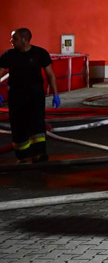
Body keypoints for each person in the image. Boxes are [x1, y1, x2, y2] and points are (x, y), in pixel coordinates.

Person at [0, 28, 58, 163]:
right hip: (16, 95)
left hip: (35, 95)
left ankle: (39, 153)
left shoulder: (40, 53)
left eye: (14, 38)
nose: (11, 41)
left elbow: (50, 75)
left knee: (37, 123)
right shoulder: (8, 55)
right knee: (18, 125)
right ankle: (22, 156)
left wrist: (56, 94)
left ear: (24, 40)